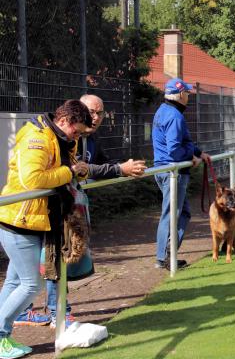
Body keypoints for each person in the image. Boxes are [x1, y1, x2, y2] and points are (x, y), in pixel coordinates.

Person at [14, 94, 147, 329]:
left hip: (58, 207)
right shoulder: (46, 135)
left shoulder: (87, 137)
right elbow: (48, 173)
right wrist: (114, 169)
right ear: (74, 114)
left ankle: (22, 314)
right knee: (49, 262)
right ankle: (56, 312)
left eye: (99, 113)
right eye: (91, 112)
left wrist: (119, 167)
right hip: (36, 209)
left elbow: (91, 166)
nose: (95, 118)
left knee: (28, 269)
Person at [0, 100, 92, 358]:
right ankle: (1, 336)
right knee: (32, 284)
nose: (78, 136)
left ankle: (1, 334)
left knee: (15, 281)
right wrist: (69, 171)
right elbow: (33, 179)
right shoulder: (37, 137)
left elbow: (67, 170)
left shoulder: (62, 138)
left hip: (32, 219)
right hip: (19, 220)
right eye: (77, 131)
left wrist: (79, 172)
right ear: (65, 121)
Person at [152, 78, 210, 270]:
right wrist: (191, 158)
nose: (188, 97)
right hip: (173, 172)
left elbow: (183, 142)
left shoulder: (164, 111)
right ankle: (165, 258)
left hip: (166, 169)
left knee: (181, 212)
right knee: (172, 213)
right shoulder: (175, 116)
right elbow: (175, 149)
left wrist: (198, 152)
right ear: (179, 94)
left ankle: (168, 255)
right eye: (187, 93)